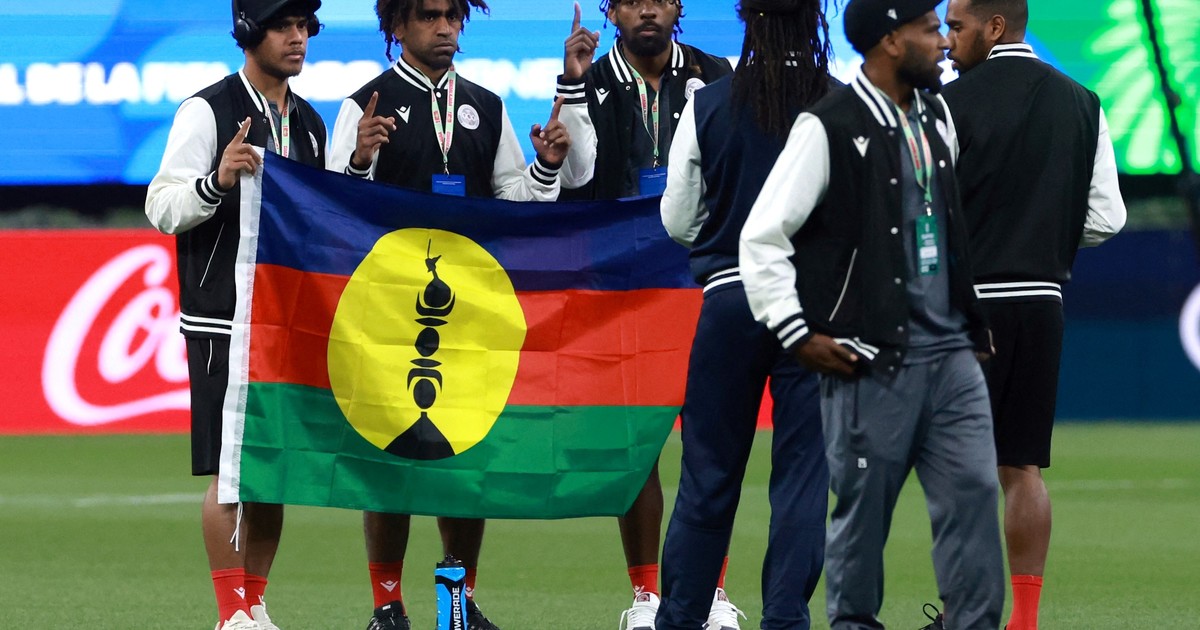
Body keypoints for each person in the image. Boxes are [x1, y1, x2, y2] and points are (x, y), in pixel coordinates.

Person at [740, 0, 1006, 628]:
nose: (944, 42)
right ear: (891, 40)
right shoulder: (828, 125)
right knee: (863, 514)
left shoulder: (937, 115)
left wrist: (967, 316)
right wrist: (795, 332)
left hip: (951, 354)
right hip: (871, 357)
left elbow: (945, 226)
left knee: (975, 494)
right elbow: (762, 237)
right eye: (931, 30)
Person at [326, 1, 572, 628]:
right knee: (390, 460)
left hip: (469, 312)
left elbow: (516, 200)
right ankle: (387, 606)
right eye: (430, 16)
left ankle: (454, 604)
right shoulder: (364, 105)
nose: (445, 28)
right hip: (387, 314)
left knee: (466, 463)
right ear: (397, 26)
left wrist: (545, 166)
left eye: (454, 17)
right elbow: (329, 210)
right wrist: (358, 162)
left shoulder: (487, 106)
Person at [941, 2, 1127, 628]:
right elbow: (1108, 218)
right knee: (1021, 467)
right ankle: (1024, 619)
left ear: (994, 26)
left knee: (959, 469)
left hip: (968, 307)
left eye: (956, 26)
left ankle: (964, 614)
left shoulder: (947, 104)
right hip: (1042, 303)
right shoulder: (1084, 101)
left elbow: (922, 210)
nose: (947, 41)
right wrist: (1043, 235)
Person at [145, 1, 327, 629]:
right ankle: (231, 615)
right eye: (283, 26)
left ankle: (255, 606)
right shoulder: (207, 109)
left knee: (272, 471)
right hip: (223, 320)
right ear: (249, 32)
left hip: (286, 321)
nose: (297, 38)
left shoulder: (309, 122)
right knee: (231, 472)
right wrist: (216, 181)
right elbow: (161, 206)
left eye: (304, 26)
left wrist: (356, 168)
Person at [655, 1, 834, 628]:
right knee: (804, 477)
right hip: (812, 306)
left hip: (731, 297)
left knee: (708, 473)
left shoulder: (708, 102)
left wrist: (729, 240)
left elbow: (678, 219)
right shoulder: (844, 105)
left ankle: (681, 618)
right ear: (814, 19)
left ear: (748, 19)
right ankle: (785, 618)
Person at [555, 2, 733, 627]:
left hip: (702, 280)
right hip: (622, 291)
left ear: (679, 5)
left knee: (710, 442)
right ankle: (647, 596)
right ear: (611, 10)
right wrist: (571, 90)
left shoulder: (718, 75)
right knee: (638, 450)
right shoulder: (590, 79)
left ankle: (711, 595)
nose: (648, 8)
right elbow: (574, 185)